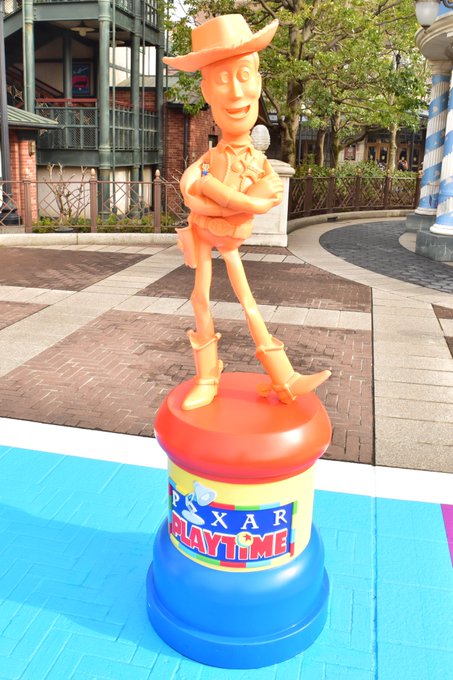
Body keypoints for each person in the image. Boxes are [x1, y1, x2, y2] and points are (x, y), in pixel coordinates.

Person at [163, 15, 330, 410]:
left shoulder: (259, 163)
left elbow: (256, 206)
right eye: (222, 79)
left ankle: (284, 377)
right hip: (202, 235)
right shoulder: (208, 157)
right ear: (206, 90)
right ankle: (208, 375)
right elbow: (190, 193)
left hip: (228, 240)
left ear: (257, 81)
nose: (236, 93)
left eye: (243, 75)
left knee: (248, 300)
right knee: (200, 297)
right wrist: (224, 199)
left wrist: (216, 193)